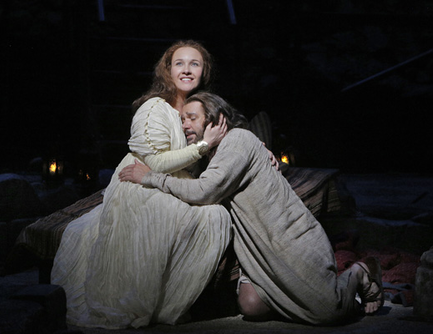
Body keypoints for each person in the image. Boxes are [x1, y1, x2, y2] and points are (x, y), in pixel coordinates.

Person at [119, 92, 384, 325]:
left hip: (290, 239)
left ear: (216, 119)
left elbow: (205, 191)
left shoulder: (238, 139)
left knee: (329, 312)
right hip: (257, 250)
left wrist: (150, 177)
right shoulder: (209, 156)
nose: (185, 125)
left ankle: (360, 272)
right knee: (252, 307)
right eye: (182, 120)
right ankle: (301, 302)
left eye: (192, 118)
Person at [51, 40, 233, 330]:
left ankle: (165, 303)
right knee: (182, 214)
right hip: (141, 182)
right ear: (168, 70)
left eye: (195, 64)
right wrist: (202, 147)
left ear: (204, 71)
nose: (187, 69)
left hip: (175, 182)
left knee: (215, 215)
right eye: (180, 63)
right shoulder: (153, 109)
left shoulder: (200, 106)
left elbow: (230, 125)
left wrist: (257, 148)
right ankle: (142, 303)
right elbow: (156, 162)